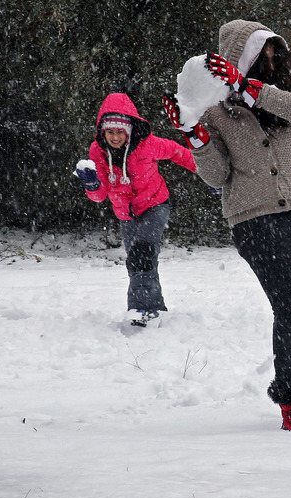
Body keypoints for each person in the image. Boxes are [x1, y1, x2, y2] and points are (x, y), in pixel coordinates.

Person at [162, 20, 291, 431]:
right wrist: (194, 136)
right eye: (260, 53)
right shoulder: (213, 112)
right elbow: (215, 175)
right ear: (237, 58)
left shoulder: (278, 98)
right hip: (255, 220)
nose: (270, 60)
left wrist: (249, 88)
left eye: (272, 52)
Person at [74, 92, 197, 328]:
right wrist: (91, 184)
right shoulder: (97, 152)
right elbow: (99, 196)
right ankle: (155, 306)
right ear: (103, 131)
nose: (115, 136)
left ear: (129, 130)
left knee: (142, 253)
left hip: (155, 204)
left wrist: (209, 174)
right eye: (110, 131)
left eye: (120, 131)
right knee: (138, 261)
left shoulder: (148, 145)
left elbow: (178, 152)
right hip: (125, 214)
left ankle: (141, 309)